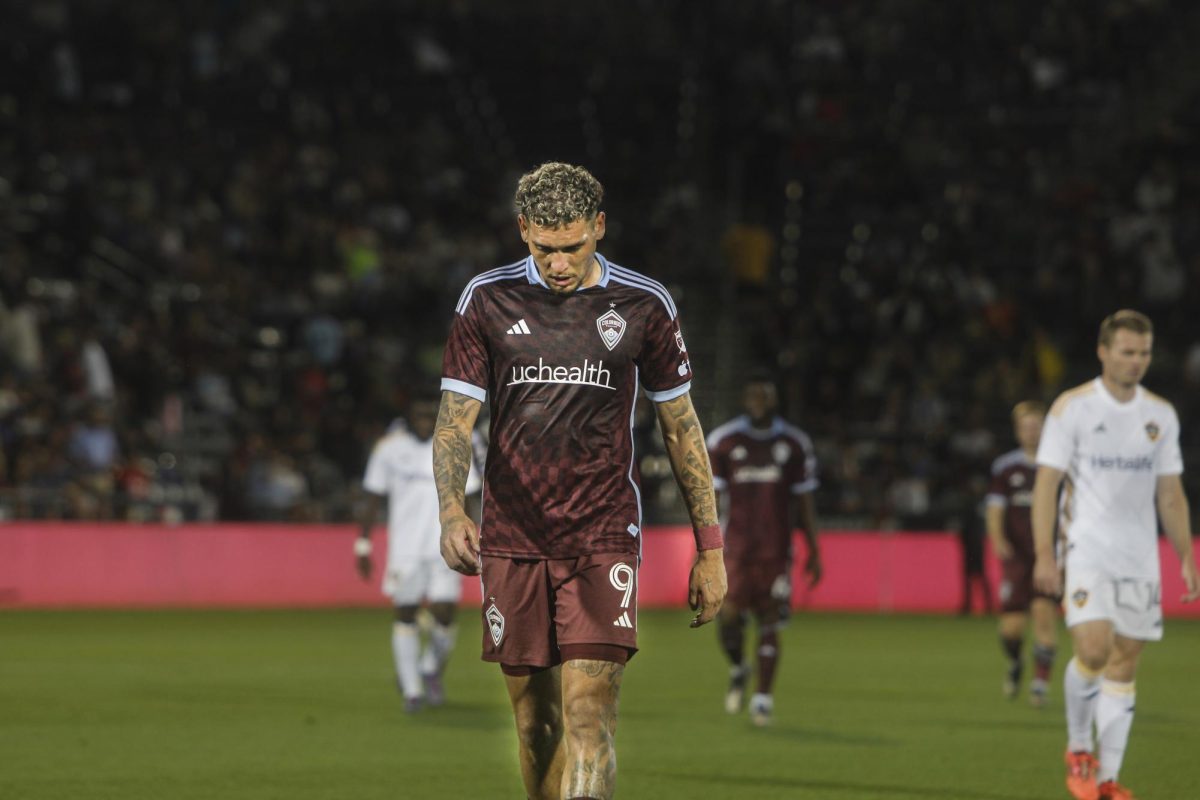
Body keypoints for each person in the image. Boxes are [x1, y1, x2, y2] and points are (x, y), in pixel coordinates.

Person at [434, 162, 726, 800]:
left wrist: (711, 548)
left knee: (590, 716)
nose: (558, 264)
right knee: (537, 726)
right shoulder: (485, 299)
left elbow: (681, 427)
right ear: (523, 233)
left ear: (599, 227)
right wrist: (453, 511)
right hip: (512, 536)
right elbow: (455, 423)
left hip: (602, 534)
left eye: (572, 247)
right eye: (544, 248)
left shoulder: (644, 305)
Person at [1032, 310, 1198, 800]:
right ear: (1103, 352)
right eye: (1127, 352)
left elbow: (1170, 493)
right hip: (1086, 548)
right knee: (1093, 649)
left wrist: (1186, 553)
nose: (1136, 361)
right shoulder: (1073, 408)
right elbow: (1047, 484)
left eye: (1144, 353)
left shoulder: (1160, 415)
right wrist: (1046, 552)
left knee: (1125, 663)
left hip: (1139, 556)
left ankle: (1106, 780)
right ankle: (1079, 745)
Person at [706, 373, 822, 726]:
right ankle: (740, 667)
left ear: (774, 400)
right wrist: (706, 545)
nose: (759, 402)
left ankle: (762, 700)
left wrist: (814, 548)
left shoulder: (794, 443)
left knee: (770, 619)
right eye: (753, 395)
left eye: (765, 396)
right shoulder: (724, 441)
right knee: (728, 618)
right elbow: (710, 496)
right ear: (745, 399)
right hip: (735, 549)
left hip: (776, 549)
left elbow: (803, 500)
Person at [357, 390, 483, 713]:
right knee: (406, 612)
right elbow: (373, 495)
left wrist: (473, 534)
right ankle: (412, 689)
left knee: (443, 612)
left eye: (431, 415)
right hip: (406, 549)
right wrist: (363, 542)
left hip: (445, 544)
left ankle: (428, 667)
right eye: (421, 416)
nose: (426, 421)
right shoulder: (390, 449)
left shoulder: (452, 445)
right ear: (410, 418)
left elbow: (470, 494)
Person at [986, 400, 1058, 707]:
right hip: (1017, 558)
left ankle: (1040, 684)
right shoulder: (1005, 467)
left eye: (1037, 424)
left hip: (1048, 556)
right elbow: (994, 508)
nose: (1032, 430)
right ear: (1018, 431)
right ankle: (1016, 662)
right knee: (1011, 630)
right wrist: (998, 539)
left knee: (1044, 617)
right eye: (1026, 425)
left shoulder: (1058, 465)